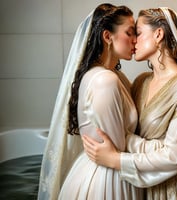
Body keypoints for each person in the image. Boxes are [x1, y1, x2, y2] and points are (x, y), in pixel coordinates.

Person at [83, 7, 177, 200]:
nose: (133, 41)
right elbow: (126, 129)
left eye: (137, 33)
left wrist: (115, 159)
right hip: (142, 183)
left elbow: (175, 156)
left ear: (158, 34)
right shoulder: (140, 82)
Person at [38, 3, 143, 200]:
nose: (136, 40)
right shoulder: (105, 80)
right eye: (130, 33)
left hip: (108, 170)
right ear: (107, 36)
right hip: (106, 181)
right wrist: (166, 153)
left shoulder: (114, 76)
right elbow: (116, 147)